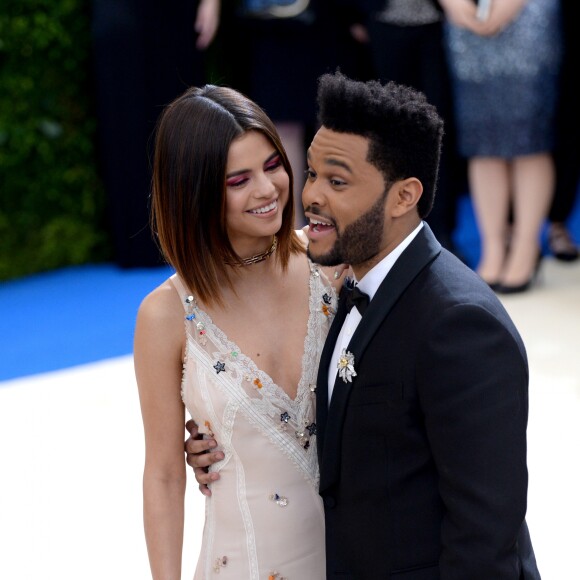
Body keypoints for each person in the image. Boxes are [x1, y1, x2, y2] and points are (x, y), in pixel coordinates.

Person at [186, 71, 540, 578]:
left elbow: (485, 536)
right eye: (311, 174)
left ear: (403, 197)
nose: (310, 197)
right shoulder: (340, 286)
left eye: (337, 181)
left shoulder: (460, 326)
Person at [134, 83, 345, 578]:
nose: (268, 190)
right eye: (238, 180)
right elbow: (163, 475)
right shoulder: (165, 315)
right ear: (194, 190)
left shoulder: (332, 264)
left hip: (356, 557)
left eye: (273, 165)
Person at [440, 0, 563, 292]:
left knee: (529, 136)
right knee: (481, 139)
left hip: (528, 15)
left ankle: (525, 246)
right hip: (466, 21)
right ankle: (493, 248)